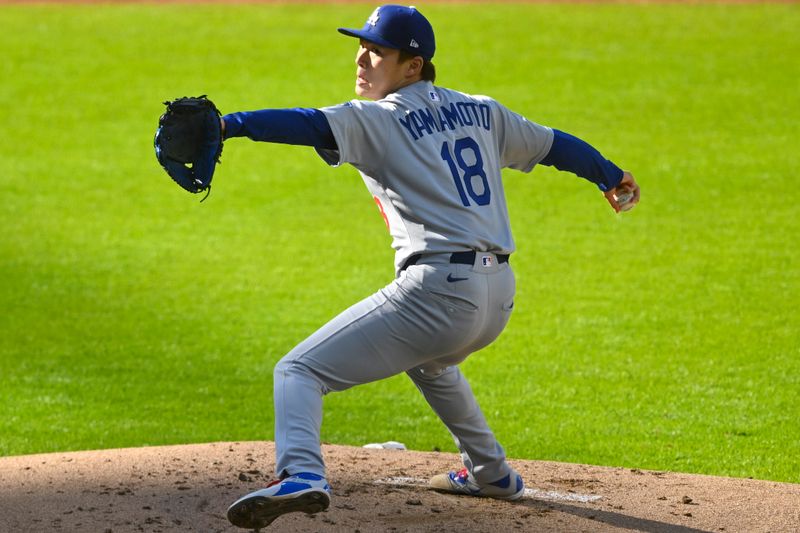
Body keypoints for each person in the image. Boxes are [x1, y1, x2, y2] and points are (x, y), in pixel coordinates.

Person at [222, 4, 640, 529]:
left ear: (413, 66)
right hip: (498, 296)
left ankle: (302, 474)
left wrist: (228, 124)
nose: (362, 58)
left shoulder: (379, 117)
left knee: (299, 370)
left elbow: (305, 124)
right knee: (431, 361)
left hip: (437, 290)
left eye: (378, 51)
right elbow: (556, 145)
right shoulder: (482, 111)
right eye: (362, 45)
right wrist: (609, 175)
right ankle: (490, 472)